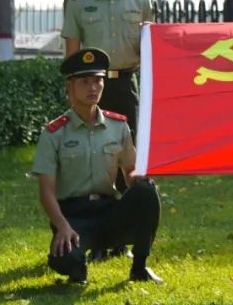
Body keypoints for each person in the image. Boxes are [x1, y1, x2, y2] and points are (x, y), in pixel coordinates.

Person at [30, 48, 163, 285]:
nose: (93, 88)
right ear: (69, 88)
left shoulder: (118, 126)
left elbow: (129, 172)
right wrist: (61, 226)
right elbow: (46, 192)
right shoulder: (54, 134)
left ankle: (140, 267)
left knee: (147, 192)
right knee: (63, 259)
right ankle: (77, 266)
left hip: (108, 210)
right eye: (85, 82)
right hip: (74, 217)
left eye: (98, 81)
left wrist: (139, 177)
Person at [63, 0, 152, 259]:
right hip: (91, 87)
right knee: (96, 163)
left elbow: (151, 53)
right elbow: (72, 55)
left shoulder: (141, 2)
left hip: (126, 85)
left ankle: (123, 239)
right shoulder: (78, 3)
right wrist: (73, 93)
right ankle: (97, 238)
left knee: (127, 164)